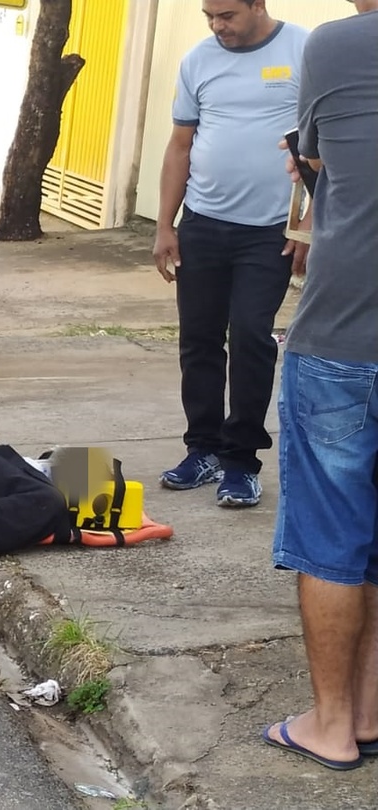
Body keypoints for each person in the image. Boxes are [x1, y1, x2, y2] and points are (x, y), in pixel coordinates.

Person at [262, 0, 378, 772]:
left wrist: (305, 164)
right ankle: (370, 709)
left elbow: (317, 165)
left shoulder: (337, 46)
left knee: (333, 536)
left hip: (346, 334)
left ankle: (333, 724)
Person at [151, 0, 309, 507]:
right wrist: (164, 226)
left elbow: (327, 142)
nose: (218, 27)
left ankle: (240, 461)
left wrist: (310, 221)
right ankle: (203, 449)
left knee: (250, 337)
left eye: (227, 16)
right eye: (209, 17)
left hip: (268, 233)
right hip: (202, 225)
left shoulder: (303, 50)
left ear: (257, 5)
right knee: (198, 339)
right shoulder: (199, 59)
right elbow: (180, 145)